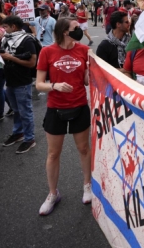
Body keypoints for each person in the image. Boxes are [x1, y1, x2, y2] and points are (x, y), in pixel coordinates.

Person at [35, 17, 92, 215]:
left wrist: (92, 70)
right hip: (55, 108)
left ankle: (87, 185)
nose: (80, 30)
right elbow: (39, 84)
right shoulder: (47, 51)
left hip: (79, 106)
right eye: (76, 28)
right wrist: (54, 86)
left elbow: (85, 80)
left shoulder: (84, 51)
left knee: (84, 148)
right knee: (53, 153)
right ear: (65, 32)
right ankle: (53, 193)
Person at [0, 16, 38, 154]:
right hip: (10, 80)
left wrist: (11, 58)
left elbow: (32, 63)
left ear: (13, 27)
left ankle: (29, 138)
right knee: (16, 110)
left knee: (25, 111)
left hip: (22, 81)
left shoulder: (27, 40)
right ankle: (18, 132)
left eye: (5, 27)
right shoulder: (5, 39)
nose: (3, 30)